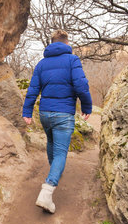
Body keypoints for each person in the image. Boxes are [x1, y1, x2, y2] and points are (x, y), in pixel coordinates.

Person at [22, 30, 92, 213]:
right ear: (67, 43)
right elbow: (81, 85)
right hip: (63, 114)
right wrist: (87, 106)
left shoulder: (42, 64)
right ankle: (47, 190)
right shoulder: (72, 60)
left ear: (51, 43)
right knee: (61, 152)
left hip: (45, 113)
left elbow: (32, 89)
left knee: (52, 143)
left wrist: (27, 111)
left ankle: (54, 174)